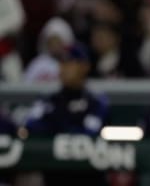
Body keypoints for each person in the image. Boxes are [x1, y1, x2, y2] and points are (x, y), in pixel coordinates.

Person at [24, 42, 109, 186]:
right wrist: (67, 124)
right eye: (62, 62)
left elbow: (88, 135)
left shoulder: (96, 102)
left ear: (85, 66)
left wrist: (55, 127)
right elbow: (30, 127)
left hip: (87, 179)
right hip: (55, 178)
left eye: (70, 62)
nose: (63, 68)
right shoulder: (48, 101)